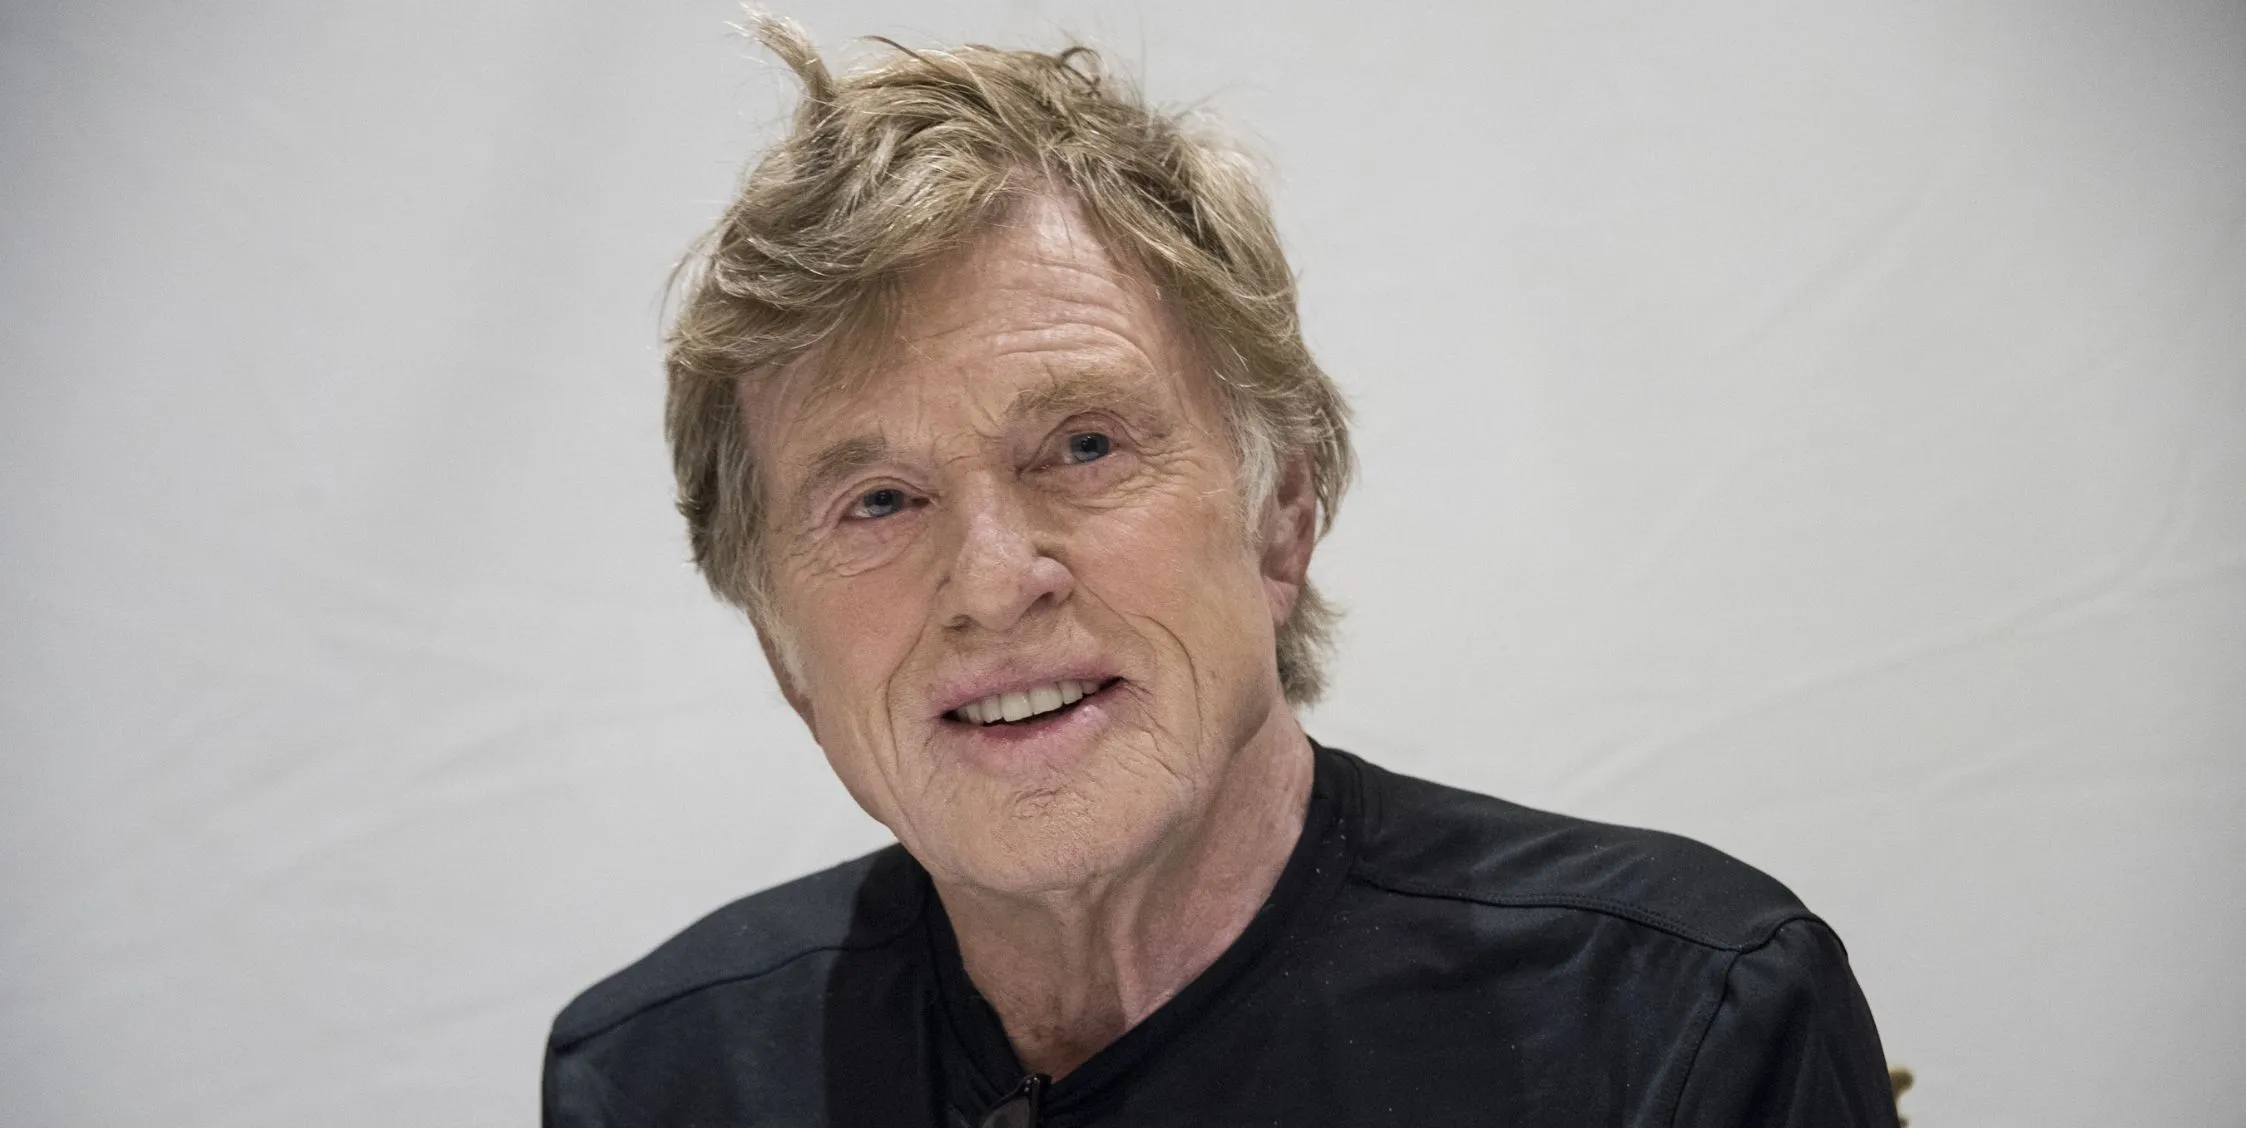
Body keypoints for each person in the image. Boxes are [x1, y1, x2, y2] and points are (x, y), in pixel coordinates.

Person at [544, 16, 1898, 1127]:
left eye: (1081, 444)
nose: (992, 580)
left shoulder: (1673, 1028)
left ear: (1282, 515)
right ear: (782, 645)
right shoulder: (667, 1077)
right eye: (878, 500)